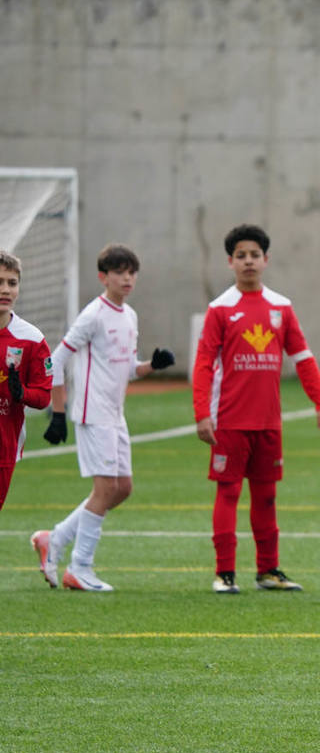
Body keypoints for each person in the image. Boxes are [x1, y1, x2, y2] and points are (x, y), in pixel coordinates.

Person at [192, 224, 320, 594]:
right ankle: (224, 573)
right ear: (230, 262)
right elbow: (204, 364)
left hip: (269, 421)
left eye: (255, 255)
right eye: (241, 256)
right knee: (228, 493)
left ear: (266, 260)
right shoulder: (220, 309)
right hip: (229, 421)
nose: (248, 261)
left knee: (267, 496)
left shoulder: (281, 307)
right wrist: (201, 414)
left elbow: (302, 358)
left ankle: (268, 570)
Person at [30, 244, 176, 592]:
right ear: (103, 276)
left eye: (131, 272)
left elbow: (128, 369)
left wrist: (152, 366)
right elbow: (57, 358)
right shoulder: (93, 314)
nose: (126, 279)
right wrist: (59, 412)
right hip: (91, 413)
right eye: (119, 272)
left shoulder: (129, 315)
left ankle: (54, 538)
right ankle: (79, 568)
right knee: (106, 488)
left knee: (122, 488)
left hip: (115, 414)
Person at [0, 250, 53, 512]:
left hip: (3, 446)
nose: (5, 290)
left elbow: (43, 397)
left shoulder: (32, 339)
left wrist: (22, 393)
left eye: (12, 282)